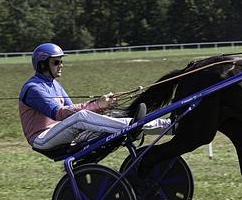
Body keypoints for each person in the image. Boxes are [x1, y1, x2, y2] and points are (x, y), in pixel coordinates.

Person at [19, 43, 170, 154]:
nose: (61, 65)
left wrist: (103, 107)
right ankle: (132, 126)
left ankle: (168, 126)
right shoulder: (33, 89)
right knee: (82, 117)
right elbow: (60, 113)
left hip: (60, 132)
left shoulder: (55, 85)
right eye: (56, 62)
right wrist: (97, 104)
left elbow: (71, 110)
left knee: (108, 116)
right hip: (42, 138)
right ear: (43, 65)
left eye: (61, 61)